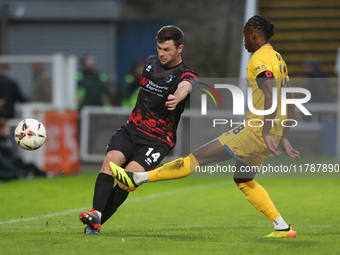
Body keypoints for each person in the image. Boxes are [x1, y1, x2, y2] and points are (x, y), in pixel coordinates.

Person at [111, 15, 299, 238]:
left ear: (254, 35)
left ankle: (137, 178)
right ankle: (281, 226)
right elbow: (289, 97)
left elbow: (269, 94)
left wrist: (266, 131)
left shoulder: (259, 58)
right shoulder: (277, 58)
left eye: (245, 36)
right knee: (243, 178)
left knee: (198, 157)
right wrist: (283, 135)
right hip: (271, 130)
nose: (244, 41)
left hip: (258, 130)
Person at [79, 25, 198, 234]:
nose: (162, 53)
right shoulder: (150, 62)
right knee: (109, 163)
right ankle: (96, 214)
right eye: (160, 48)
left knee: (128, 179)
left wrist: (179, 96)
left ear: (180, 48)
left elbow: (186, 86)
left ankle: (96, 222)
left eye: (167, 49)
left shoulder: (186, 74)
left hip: (158, 140)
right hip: (131, 130)